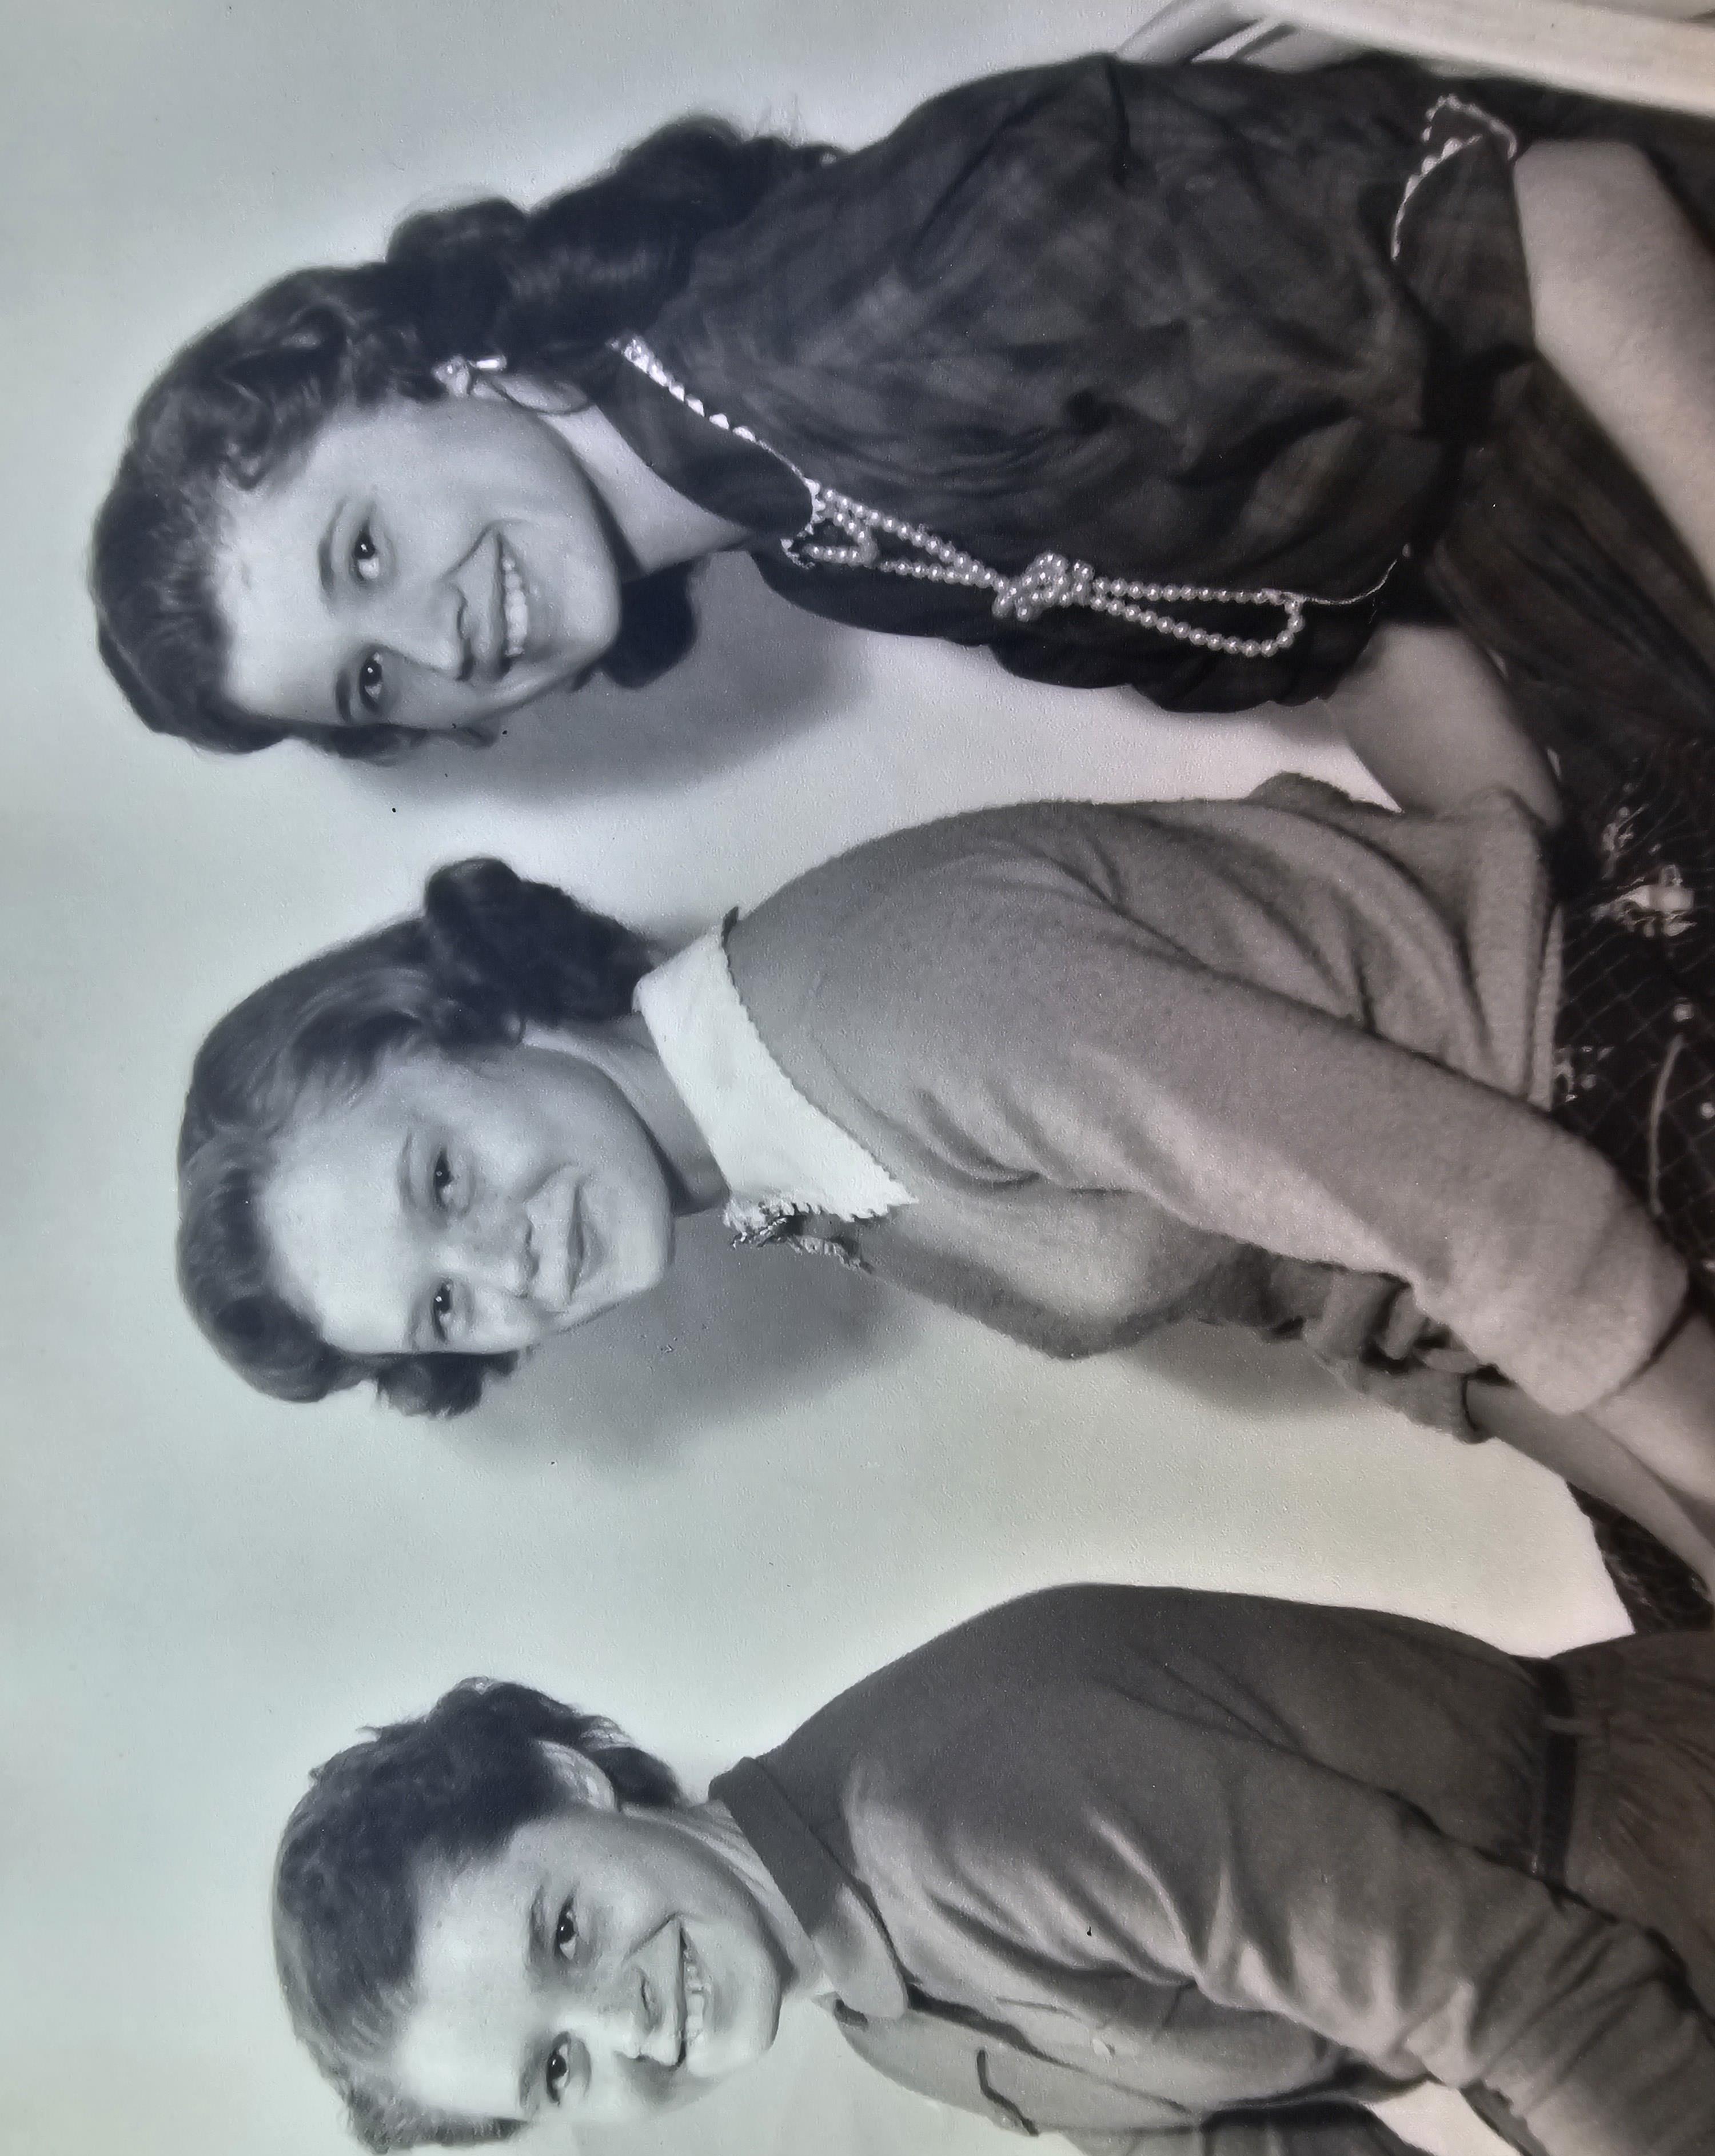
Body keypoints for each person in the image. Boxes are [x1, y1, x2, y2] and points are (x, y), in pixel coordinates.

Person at [174, 745, 1715, 1625]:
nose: (502, 1270)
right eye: (443, 1309)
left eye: (440, 1178)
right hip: (1562, 1255)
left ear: (482, 1019)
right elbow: (1335, 1295)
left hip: (1628, 1064)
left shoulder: (869, 1008)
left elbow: (1483, 1206)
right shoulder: (783, 1157)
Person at [88, 50, 1715, 823]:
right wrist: (1549, 926)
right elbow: (1351, 638)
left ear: (426, 369)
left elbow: (1574, 224)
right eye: (368, 684)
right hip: (1557, 568)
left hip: (1632, 362)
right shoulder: (811, 546)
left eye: (358, 551)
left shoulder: (858, 314)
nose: (431, 644)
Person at [272, 1583, 1715, 2156]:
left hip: (1651, 1854)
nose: (622, 2024)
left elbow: (1520, 1984)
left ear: (577, 1785)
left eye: (565, 1934)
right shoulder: (889, 2020)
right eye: (558, 2069)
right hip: (1590, 2026)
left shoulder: (941, 1810)